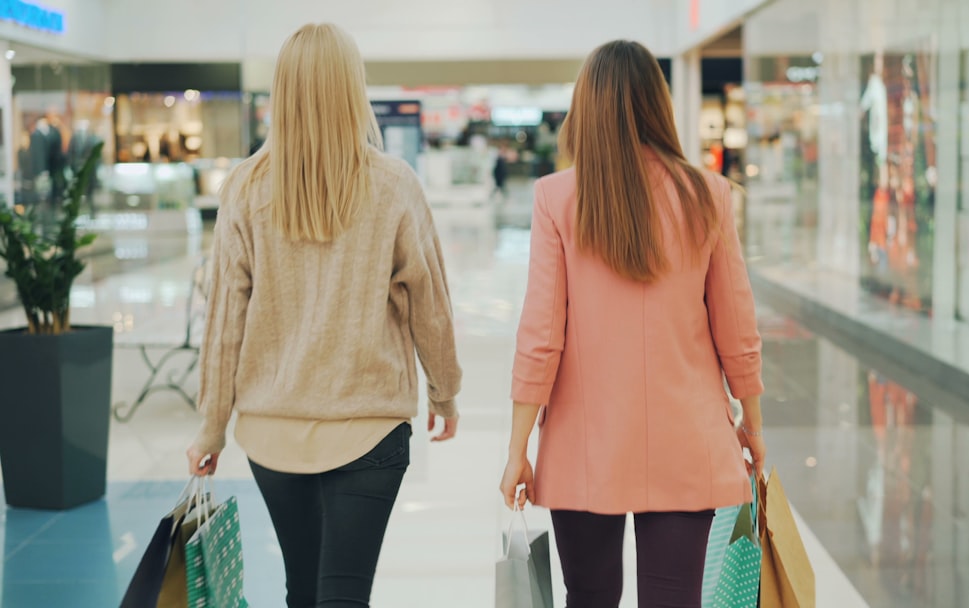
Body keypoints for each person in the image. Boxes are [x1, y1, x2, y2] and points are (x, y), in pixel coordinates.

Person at [186, 23, 462, 607]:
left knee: (301, 588)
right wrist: (445, 391)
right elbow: (429, 303)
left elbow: (223, 323)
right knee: (343, 594)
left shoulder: (245, 188)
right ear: (353, 89)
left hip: (273, 429)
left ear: (282, 92)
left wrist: (211, 426)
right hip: (370, 427)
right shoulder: (393, 184)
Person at [499, 40, 766, 608]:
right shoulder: (707, 195)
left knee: (590, 596)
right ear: (658, 104)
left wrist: (518, 446)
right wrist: (754, 424)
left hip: (582, 442)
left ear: (586, 108)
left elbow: (541, 337)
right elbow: (737, 329)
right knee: (674, 600)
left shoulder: (557, 197)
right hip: (687, 437)